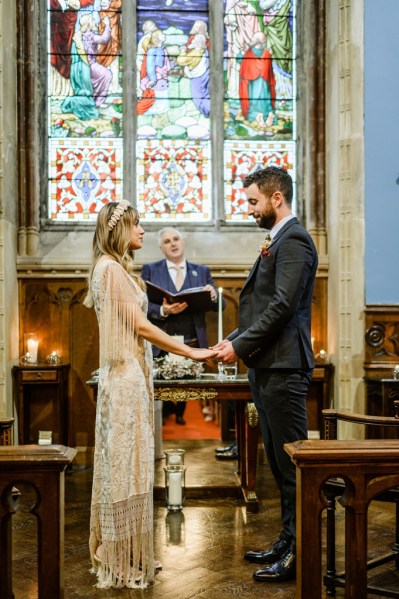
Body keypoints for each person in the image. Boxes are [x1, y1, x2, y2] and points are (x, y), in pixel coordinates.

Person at [84, 201, 215, 589]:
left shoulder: (116, 269)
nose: (142, 231)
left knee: (135, 466)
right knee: (124, 470)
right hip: (123, 379)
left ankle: (132, 552)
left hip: (132, 376)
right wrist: (190, 350)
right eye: (136, 224)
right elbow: (140, 326)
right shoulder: (109, 269)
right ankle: (119, 557)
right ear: (118, 230)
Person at [212, 166, 318, 583]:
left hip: (285, 366)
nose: (249, 209)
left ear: (277, 199)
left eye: (254, 201)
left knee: (294, 467)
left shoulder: (294, 241)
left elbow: (283, 307)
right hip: (267, 364)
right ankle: (288, 539)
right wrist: (232, 339)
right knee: (277, 463)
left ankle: (300, 553)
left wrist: (239, 346)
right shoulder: (277, 240)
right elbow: (261, 309)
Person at [141, 227, 220, 425]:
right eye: (167, 241)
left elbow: (220, 305)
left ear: (183, 242)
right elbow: (140, 304)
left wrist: (213, 295)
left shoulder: (201, 271)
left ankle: (180, 414)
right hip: (161, 342)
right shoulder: (150, 270)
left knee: (187, 386)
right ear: (161, 247)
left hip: (191, 341)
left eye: (176, 239)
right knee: (159, 388)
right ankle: (161, 421)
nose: (173, 243)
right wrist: (162, 311)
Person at [238, 31, 276, 128]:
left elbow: (241, 62)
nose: (250, 40)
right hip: (265, 83)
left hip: (252, 84)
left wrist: (240, 53)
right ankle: (269, 114)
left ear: (256, 42)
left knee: (254, 101)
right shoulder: (266, 53)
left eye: (252, 39)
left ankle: (257, 115)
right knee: (266, 99)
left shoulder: (249, 53)